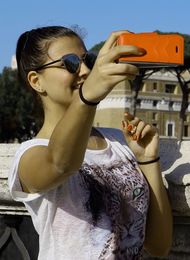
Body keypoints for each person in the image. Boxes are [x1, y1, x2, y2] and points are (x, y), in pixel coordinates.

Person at [8, 26, 173, 260]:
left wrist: (148, 159)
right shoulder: (30, 155)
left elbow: (159, 245)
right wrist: (88, 96)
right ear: (36, 81)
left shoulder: (119, 142)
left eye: (88, 60)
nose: (85, 71)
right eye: (71, 63)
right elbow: (60, 164)